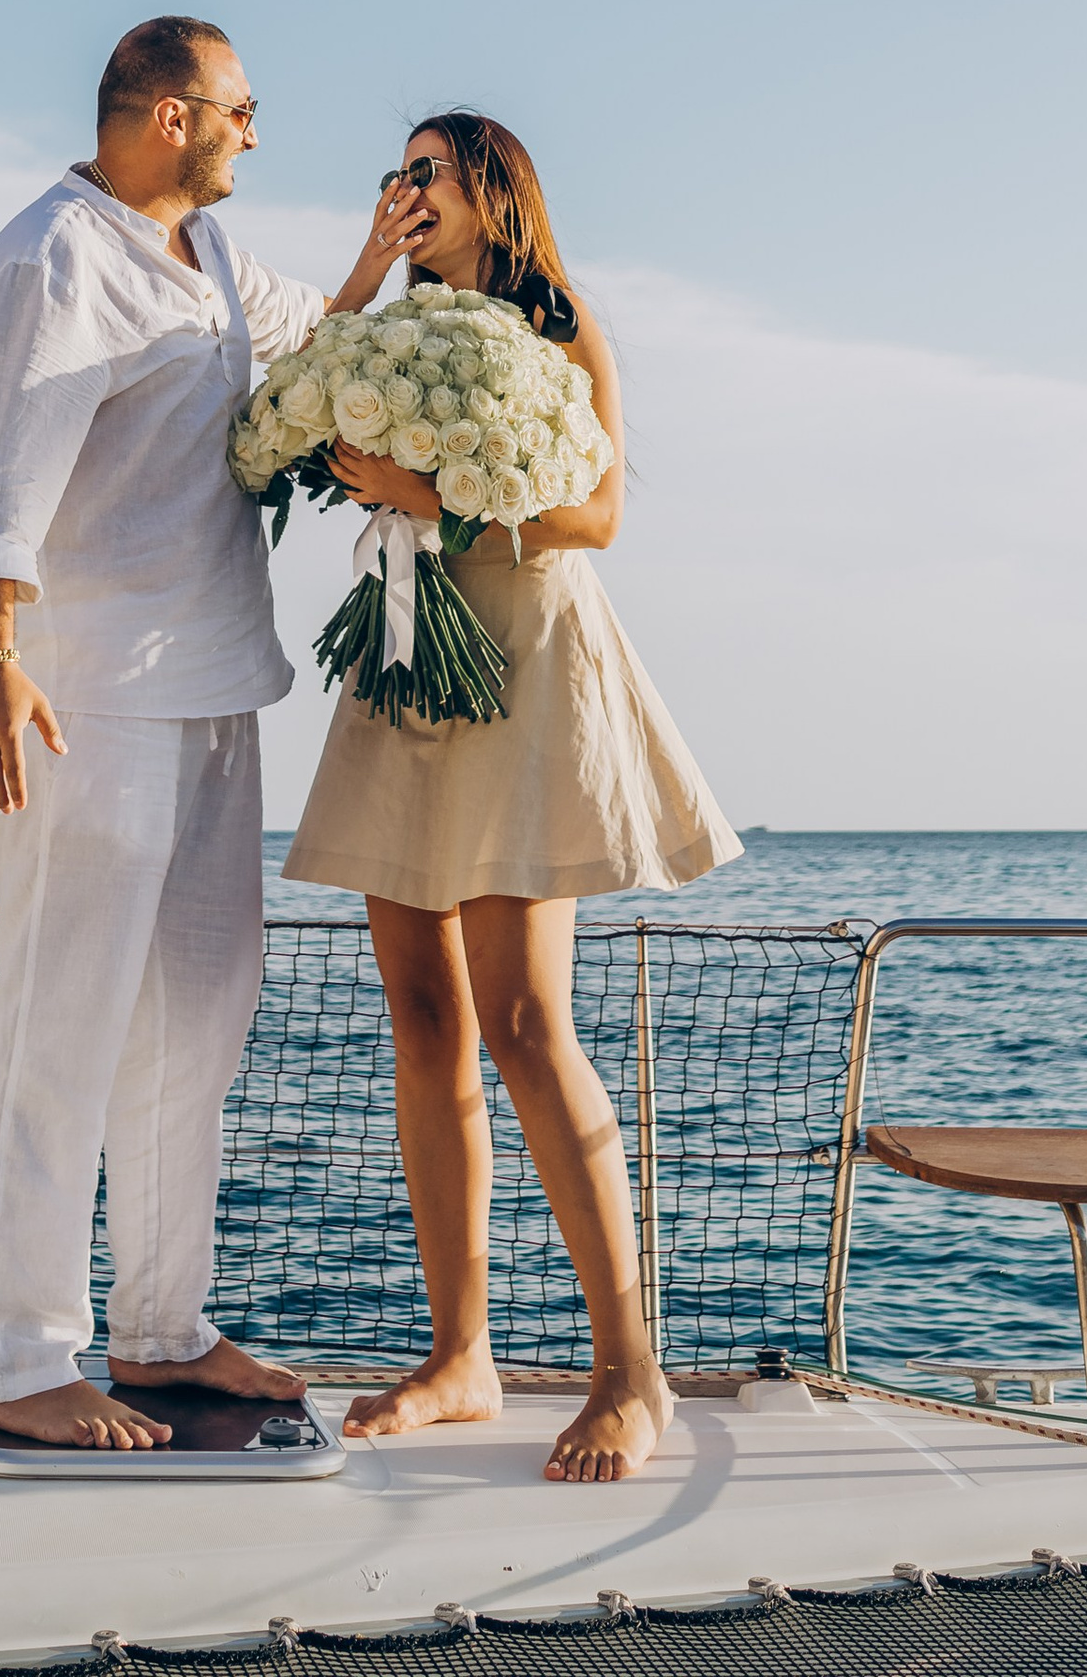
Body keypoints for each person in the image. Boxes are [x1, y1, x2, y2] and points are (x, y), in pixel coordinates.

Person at [0, 13, 424, 1450]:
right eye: (241, 108)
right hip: (82, 699)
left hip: (217, 689)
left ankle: (163, 1330)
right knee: (59, 1027)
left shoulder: (208, 259)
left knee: (198, 1026)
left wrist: (386, 252)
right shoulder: (49, 261)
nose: (255, 132)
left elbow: (313, 341)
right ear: (165, 116)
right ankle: (19, 1362)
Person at [283, 110, 739, 1485]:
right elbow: (290, 401)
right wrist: (363, 276)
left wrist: (441, 490)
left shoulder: (556, 318)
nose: (405, 187)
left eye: (425, 171)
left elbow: (596, 514)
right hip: (411, 641)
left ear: (491, 188)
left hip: (523, 653)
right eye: (395, 172)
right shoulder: (388, 328)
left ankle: (626, 1368)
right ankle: (461, 1356)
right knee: (422, 1017)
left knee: (530, 1021)